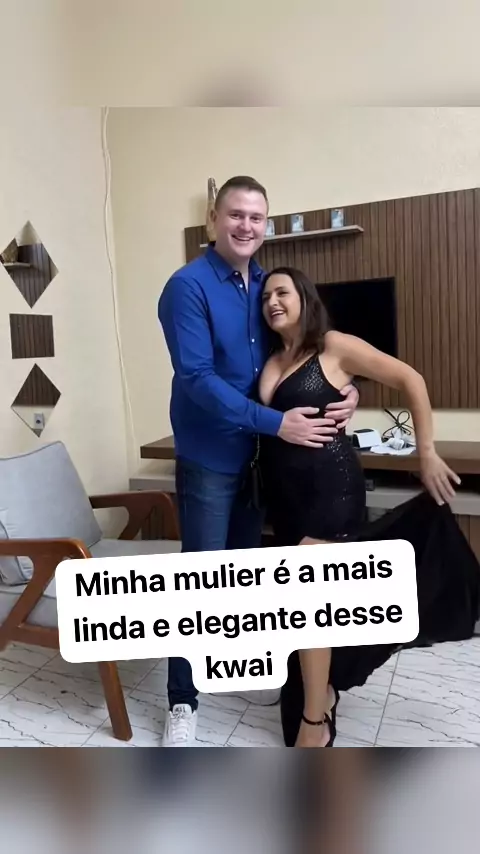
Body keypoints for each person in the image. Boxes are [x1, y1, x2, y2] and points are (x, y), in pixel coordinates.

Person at [158, 176, 360, 746]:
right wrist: (277, 423)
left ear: (265, 225)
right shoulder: (187, 287)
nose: (245, 226)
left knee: (243, 577)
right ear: (213, 220)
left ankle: (234, 667)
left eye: (256, 217)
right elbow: (196, 378)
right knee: (197, 581)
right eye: (235, 215)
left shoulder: (266, 287)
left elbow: (300, 351)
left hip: (257, 461)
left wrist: (345, 391)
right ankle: (182, 701)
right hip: (210, 457)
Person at [258, 266, 480, 747]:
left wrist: (425, 452)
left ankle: (315, 721)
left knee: (310, 595)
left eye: (283, 292)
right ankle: (322, 688)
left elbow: (410, 379)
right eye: (266, 296)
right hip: (285, 496)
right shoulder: (270, 358)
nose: (273, 301)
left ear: (305, 298)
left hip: (331, 489)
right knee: (312, 602)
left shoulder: (333, 346)